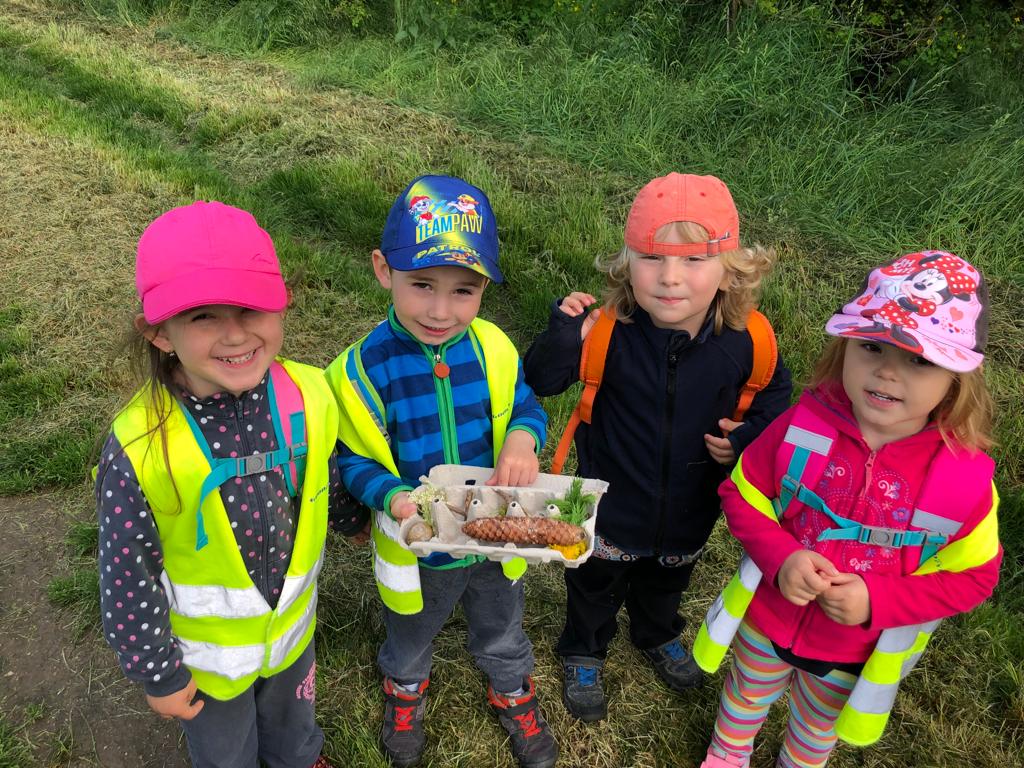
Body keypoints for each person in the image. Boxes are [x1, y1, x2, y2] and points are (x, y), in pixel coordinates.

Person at [696, 251, 1002, 768]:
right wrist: (781, 558)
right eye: (871, 346)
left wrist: (878, 601)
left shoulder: (963, 480)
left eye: (920, 360)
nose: (886, 371)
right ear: (844, 348)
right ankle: (727, 754)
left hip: (854, 647)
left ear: (958, 378)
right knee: (744, 695)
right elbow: (742, 492)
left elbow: (975, 578)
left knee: (817, 728)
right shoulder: (802, 426)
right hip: (768, 617)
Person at [96, 201, 367, 768]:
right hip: (207, 664)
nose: (236, 334)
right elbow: (126, 571)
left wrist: (351, 518)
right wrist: (157, 673)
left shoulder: (312, 395)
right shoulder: (140, 445)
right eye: (203, 317)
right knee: (226, 753)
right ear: (160, 333)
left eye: (250, 308)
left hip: (291, 631)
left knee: (294, 727)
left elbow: (325, 472)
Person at [523, 172, 792, 722]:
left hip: (692, 506)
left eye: (694, 260)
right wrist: (563, 335)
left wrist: (744, 440)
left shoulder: (750, 341)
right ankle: (584, 647)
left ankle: (657, 632)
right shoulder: (609, 331)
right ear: (627, 264)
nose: (670, 278)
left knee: (668, 580)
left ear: (731, 269)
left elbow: (774, 401)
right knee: (594, 581)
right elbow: (541, 379)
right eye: (652, 257)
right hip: (611, 502)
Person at [326, 175, 557, 768]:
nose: (440, 310)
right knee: (411, 625)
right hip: (419, 542)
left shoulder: (494, 349)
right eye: (422, 285)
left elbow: (526, 406)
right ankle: (405, 686)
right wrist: (392, 497)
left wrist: (524, 439)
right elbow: (352, 458)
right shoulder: (361, 370)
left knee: (501, 620)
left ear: (484, 288)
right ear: (384, 270)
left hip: (498, 532)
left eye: (463, 291)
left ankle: (511, 687)